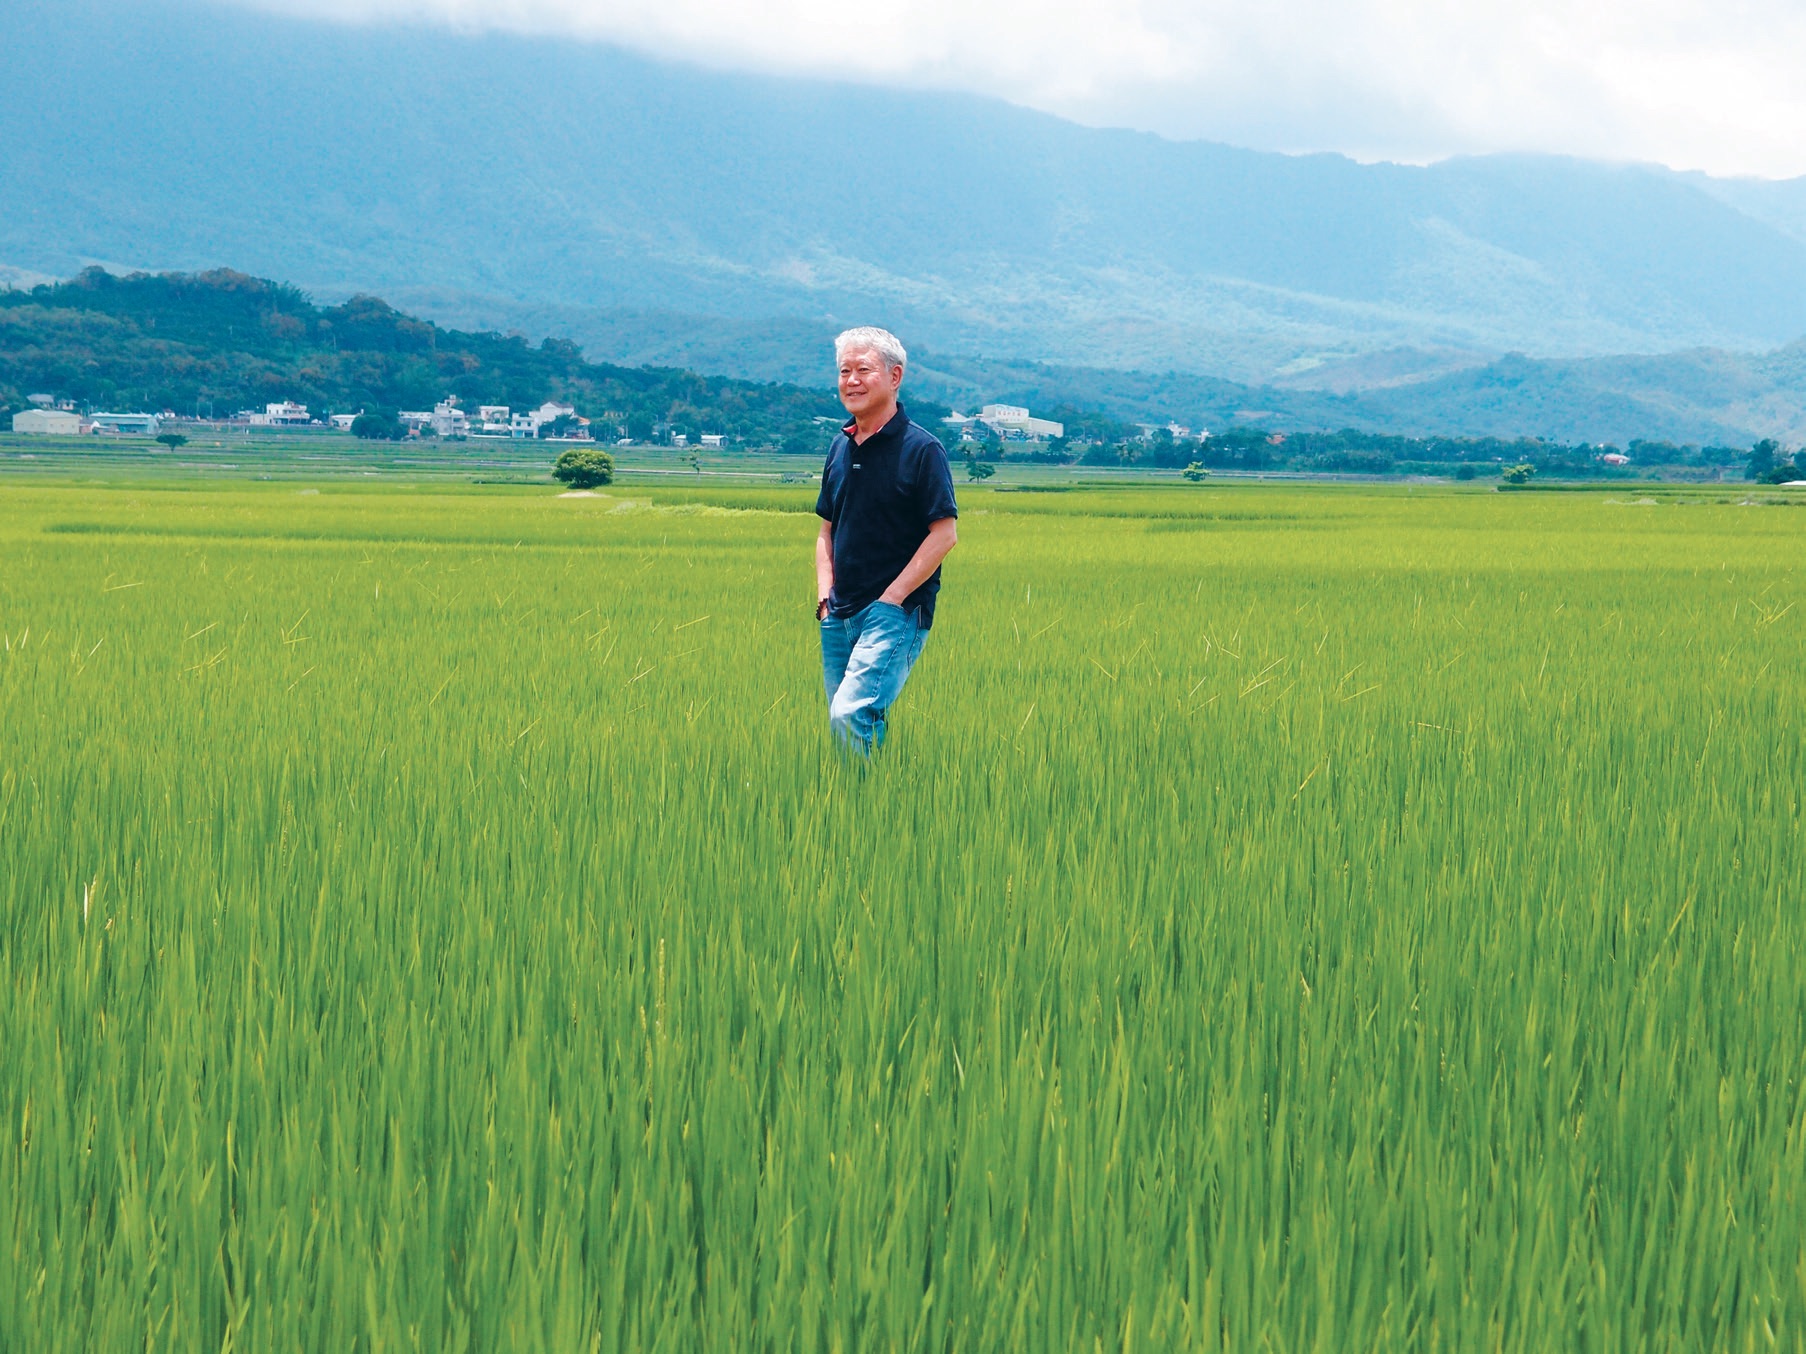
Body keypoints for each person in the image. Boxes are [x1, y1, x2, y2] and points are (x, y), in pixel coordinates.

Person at [814, 327, 958, 753]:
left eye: (863, 370)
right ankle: (864, 793)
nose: (851, 381)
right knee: (848, 723)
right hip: (838, 613)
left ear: (895, 377)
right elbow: (826, 529)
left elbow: (944, 534)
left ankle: (866, 791)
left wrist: (891, 600)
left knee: (850, 714)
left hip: (894, 612)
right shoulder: (840, 446)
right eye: (844, 371)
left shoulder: (922, 449)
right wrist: (825, 598)